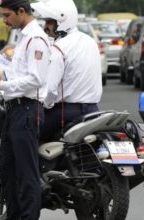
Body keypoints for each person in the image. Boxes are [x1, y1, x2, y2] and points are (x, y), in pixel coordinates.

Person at [0, 0, 51, 219]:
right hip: (13, 110)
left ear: (21, 11)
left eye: (7, 15)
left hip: (27, 110)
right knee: (9, 172)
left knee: (26, 174)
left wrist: (2, 84)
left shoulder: (36, 39)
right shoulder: (23, 37)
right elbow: (19, 73)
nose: (4, 20)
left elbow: (36, 79)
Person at [32, 0, 103, 142]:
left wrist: (44, 105)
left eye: (49, 22)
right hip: (93, 110)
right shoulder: (89, 41)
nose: (45, 27)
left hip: (65, 113)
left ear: (62, 21)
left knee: (28, 134)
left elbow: (51, 90)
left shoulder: (59, 48)